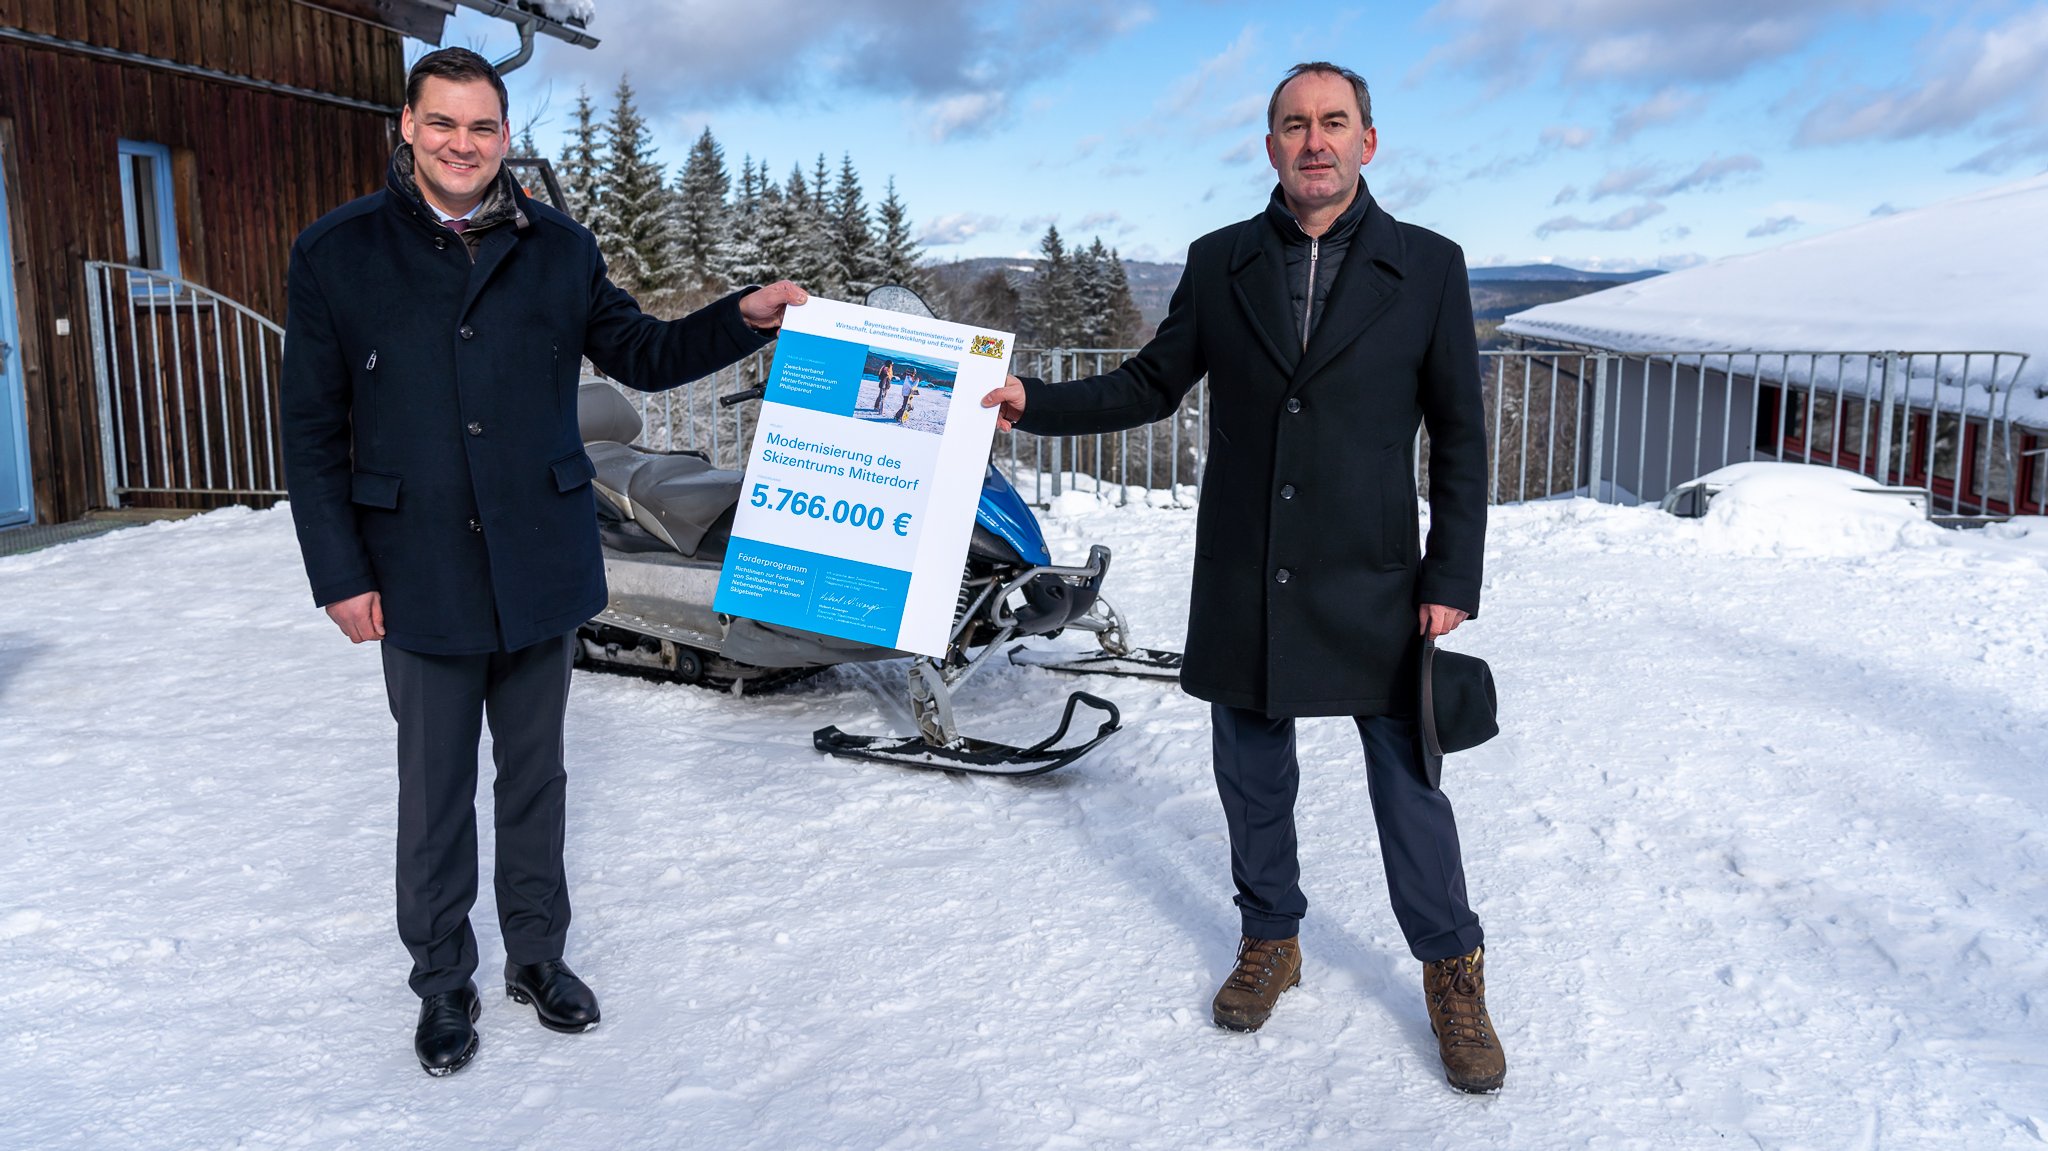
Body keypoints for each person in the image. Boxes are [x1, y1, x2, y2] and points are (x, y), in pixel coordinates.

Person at [281, 48, 806, 1078]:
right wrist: (337, 571)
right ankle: (441, 982)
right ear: (406, 125)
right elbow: (309, 427)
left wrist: (739, 315)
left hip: (538, 560)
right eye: (443, 124)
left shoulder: (558, 247)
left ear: (505, 137)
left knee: (536, 778)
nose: (461, 144)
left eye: (481, 128)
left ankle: (536, 956)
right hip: (416, 562)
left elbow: (641, 352)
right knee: (434, 792)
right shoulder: (336, 252)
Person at [982, 62, 1503, 1094]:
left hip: (1376, 573)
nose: (1313, 141)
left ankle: (1451, 965)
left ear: (1366, 140)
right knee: (1250, 768)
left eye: (1332, 123)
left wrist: (1453, 570)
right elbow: (1149, 382)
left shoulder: (1429, 265)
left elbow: (1457, 433)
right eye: (1292, 125)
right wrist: (1028, 401)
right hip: (1249, 567)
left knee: (1408, 782)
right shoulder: (1219, 261)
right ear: (1268, 145)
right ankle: (1270, 935)